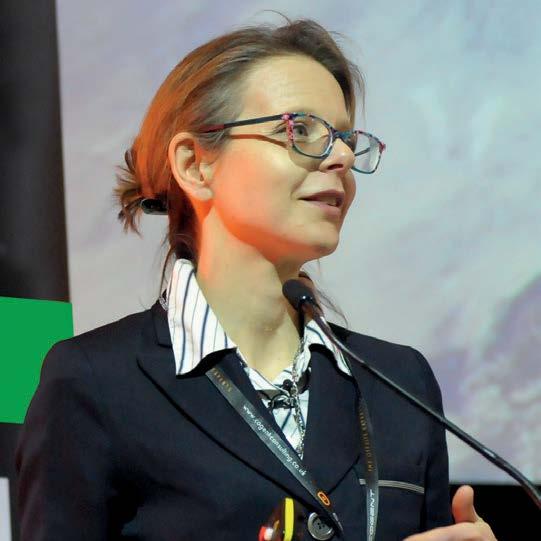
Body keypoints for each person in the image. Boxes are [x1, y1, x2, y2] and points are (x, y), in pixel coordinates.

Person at [15, 18, 497, 541]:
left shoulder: (402, 383)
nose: (340, 157)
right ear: (195, 165)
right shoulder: (94, 382)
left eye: (344, 138)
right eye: (300, 130)